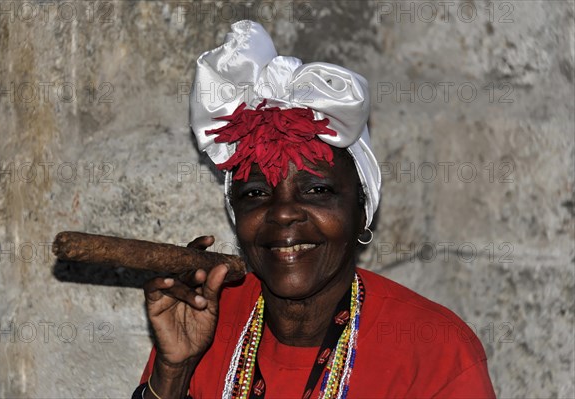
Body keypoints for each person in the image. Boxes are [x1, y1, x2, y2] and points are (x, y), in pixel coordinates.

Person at [132, 20, 496, 399]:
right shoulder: (204, 322)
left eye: (317, 190)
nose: (284, 213)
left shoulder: (434, 352)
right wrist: (173, 373)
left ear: (362, 209)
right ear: (235, 214)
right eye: (256, 194)